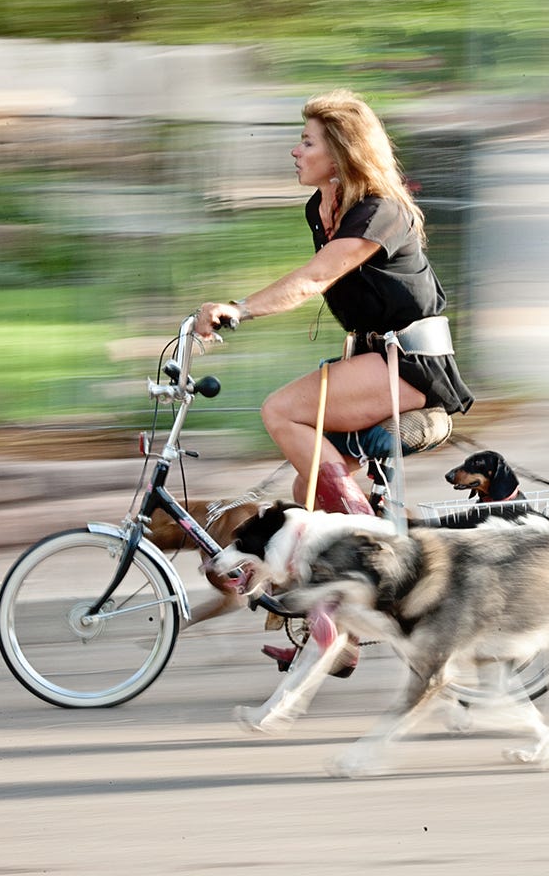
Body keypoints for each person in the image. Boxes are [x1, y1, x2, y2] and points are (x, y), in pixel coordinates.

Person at [195, 89, 474, 675]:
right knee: (304, 494)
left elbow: (315, 279)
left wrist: (238, 308)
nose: (295, 151)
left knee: (280, 411)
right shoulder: (320, 209)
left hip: (413, 366)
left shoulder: (379, 210)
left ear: (341, 153)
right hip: (375, 361)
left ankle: (366, 543)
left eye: (307, 142)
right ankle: (340, 639)